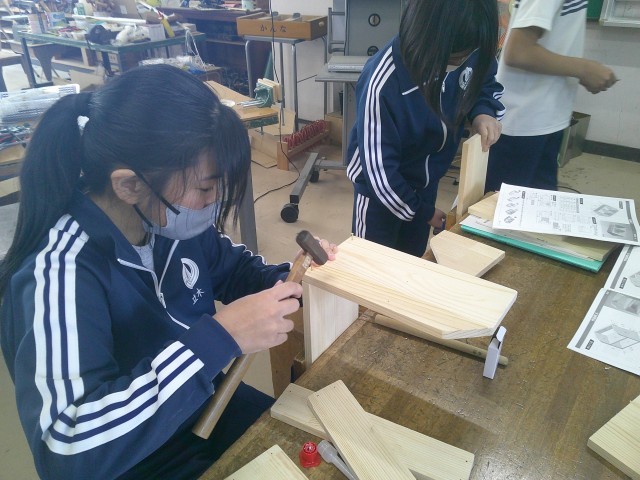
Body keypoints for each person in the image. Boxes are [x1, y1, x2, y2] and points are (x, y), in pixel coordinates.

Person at [0, 65, 336, 480]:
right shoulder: (59, 274)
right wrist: (219, 339)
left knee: (317, 448)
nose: (213, 203)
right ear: (129, 185)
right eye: (205, 188)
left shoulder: (169, 222)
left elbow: (236, 270)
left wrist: (296, 278)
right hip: (133, 456)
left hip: (200, 402)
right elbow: (68, 448)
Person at [346, 0, 505, 257]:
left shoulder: (469, 45)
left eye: (468, 55)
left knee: (412, 257)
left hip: (425, 183)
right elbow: (379, 172)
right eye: (455, 58)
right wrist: (422, 212)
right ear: (426, 35)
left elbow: (484, 80)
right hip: (379, 195)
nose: (462, 63)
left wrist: (483, 111)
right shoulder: (383, 82)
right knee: (371, 264)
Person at [485, 0, 618, 192]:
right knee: (498, 206)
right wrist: (584, 69)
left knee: (539, 204)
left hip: (544, 118)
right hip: (522, 123)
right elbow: (519, 52)